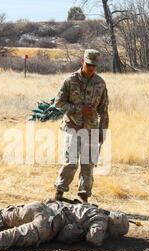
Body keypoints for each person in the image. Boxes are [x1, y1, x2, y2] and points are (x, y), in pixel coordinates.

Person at [0, 201, 129, 250]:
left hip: (37, 207)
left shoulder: (89, 206)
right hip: (47, 226)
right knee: (7, 237)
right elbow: (93, 239)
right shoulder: (100, 220)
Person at [53, 49, 109, 203]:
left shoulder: (100, 83)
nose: (91, 68)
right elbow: (58, 103)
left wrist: (102, 132)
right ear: (82, 62)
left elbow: (104, 110)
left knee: (88, 164)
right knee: (70, 162)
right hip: (72, 126)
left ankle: (83, 196)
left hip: (91, 129)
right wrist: (78, 109)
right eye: (88, 64)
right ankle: (59, 194)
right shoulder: (70, 81)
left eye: (94, 65)